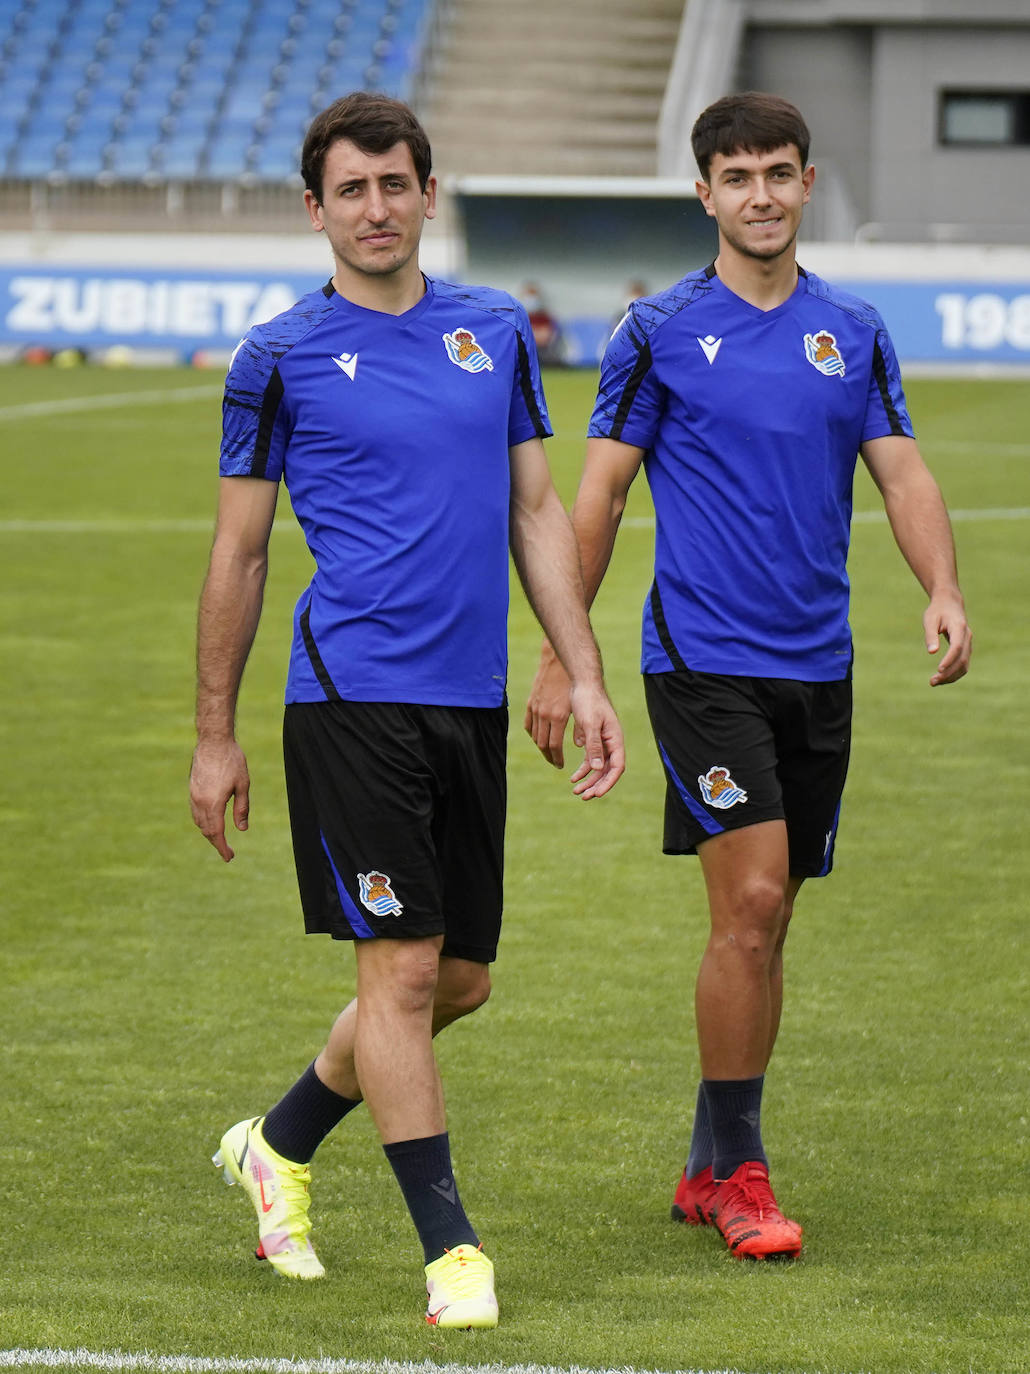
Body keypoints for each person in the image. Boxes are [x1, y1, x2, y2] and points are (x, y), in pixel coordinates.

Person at [189, 91, 624, 1327]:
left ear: (429, 193)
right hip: (348, 696)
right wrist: (214, 737)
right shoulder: (275, 355)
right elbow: (239, 555)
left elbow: (536, 513)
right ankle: (453, 1254)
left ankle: (275, 1143)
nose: (374, 208)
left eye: (394, 184)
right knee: (404, 967)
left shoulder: (495, 329)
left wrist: (580, 671)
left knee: (462, 979)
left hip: (467, 703)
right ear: (315, 208)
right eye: (350, 189)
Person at [525, 91, 971, 1261]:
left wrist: (941, 585)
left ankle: (705, 1161)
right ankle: (740, 1177)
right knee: (755, 899)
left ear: (806, 184)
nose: (760, 194)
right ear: (703, 194)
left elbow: (904, 475)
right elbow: (600, 500)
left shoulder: (853, 329)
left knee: (767, 927)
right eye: (737, 176)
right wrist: (562, 661)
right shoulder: (655, 331)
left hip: (818, 664)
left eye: (778, 172)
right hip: (700, 661)